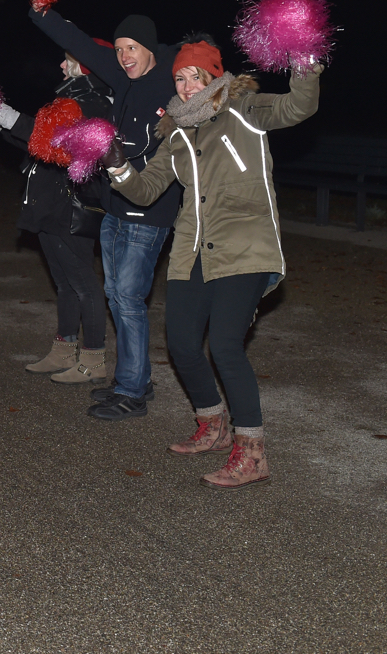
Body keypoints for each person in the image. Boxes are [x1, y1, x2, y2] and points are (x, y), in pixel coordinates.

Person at [103, 39, 321, 487]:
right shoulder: (176, 132)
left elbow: (299, 106)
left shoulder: (245, 108)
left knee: (224, 345)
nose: (185, 86)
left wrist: (305, 64)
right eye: (179, 78)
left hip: (246, 245)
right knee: (182, 343)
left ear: (214, 77)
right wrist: (117, 166)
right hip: (192, 251)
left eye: (194, 76)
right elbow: (147, 191)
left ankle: (253, 453)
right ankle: (213, 424)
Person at [29, 7, 181, 420]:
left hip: (149, 212)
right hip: (115, 206)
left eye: (132, 48)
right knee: (118, 297)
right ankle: (134, 378)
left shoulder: (169, 81)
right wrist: (41, 13)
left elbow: (205, 72)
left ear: (150, 49)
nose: (125, 56)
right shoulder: (120, 78)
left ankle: (132, 391)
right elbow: (79, 42)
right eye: (119, 49)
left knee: (128, 300)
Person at [0, 46, 113, 385]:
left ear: (87, 67)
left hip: (68, 208)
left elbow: (48, 142)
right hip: (51, 205)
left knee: (83, 283)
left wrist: (2, 113)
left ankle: (93, 358)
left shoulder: (93, 103)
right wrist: (0, 124)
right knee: (64, 284)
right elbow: (39, 147)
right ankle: (64, 349)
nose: (61, 64)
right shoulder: (69, 100)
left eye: (69, 59)